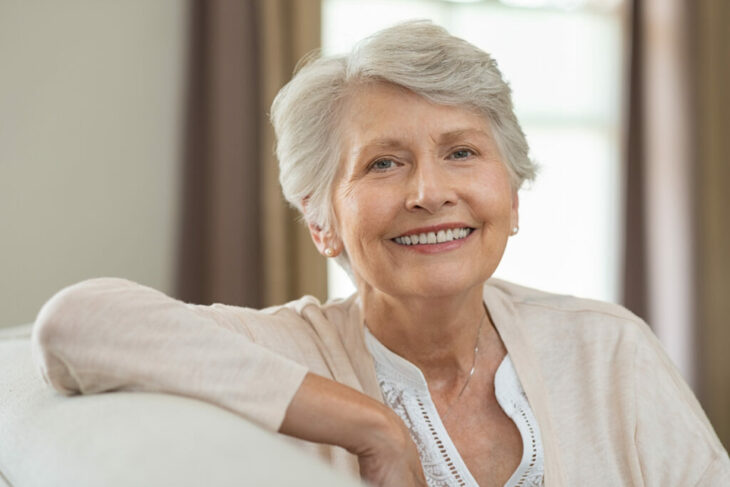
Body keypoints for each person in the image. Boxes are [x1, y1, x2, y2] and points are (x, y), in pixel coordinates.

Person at [32, 21, 728, 487]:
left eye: (461, 152)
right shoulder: (285, 349)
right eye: (384, 164)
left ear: (511, 198)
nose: (429, 192)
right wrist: (373, 427)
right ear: (321, 223)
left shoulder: (608, 349)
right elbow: (78, 324)